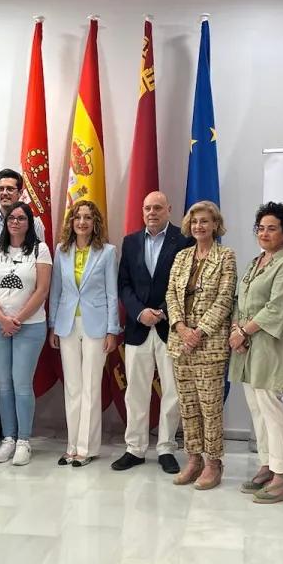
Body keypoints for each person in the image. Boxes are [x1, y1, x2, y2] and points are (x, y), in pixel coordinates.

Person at [113, 191, 192, 475]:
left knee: (172, 391)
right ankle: (134, 448)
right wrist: (139, 312)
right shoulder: (131, 242)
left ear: (169, 209)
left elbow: (186, 285)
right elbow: (123, 284)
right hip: (138, 328)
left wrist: (162, 312)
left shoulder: (184, 241)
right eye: (147, 208)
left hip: (170, 327)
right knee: (135, 390)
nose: (152, 213)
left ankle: (166, 448)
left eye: (158, 208)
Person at [231, 202, 283, 504]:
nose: (264, 233)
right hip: (246, 345)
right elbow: (240, 300)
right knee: (256, 409)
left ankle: (282, 475)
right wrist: (236, 329)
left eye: (272, 228)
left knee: (271, 408)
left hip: (270, 344)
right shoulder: (256, 261)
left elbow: (277, 308)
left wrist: (244, 331)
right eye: (261, 228)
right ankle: (267, 464)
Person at [166, 201, 236, 489]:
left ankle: (213, 463)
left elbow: (225, 299)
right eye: (194, 222)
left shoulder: (226, 256)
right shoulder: (182, 256)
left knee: (210, 407)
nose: (199, 226)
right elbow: (171, 294)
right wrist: (181, 328)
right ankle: (193, 459)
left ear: (215, 224)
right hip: (180, 343)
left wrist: (199, 332)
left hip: (210, 345)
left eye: (205, 221)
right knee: (188, 406)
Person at [48, 200, 119, 467]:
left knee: (90, 386)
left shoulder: (107, 252)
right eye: (78, 217)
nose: (82, 222)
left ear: (95, 222)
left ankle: (86, 448)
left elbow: (112, 294)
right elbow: (56, 291)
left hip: (96, 325)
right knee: (73, 387)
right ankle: (71, 446)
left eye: (88, 217)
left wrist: (112, 330)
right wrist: (53, 325)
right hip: (67, 324)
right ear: (71, 222)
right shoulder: (61, 250)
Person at [0, 202, 51, 466]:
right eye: (11, 218)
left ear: (29, 222)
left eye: (21, 218)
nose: (15, 222)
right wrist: (2, 319)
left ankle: (23, 440)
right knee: (3, 384)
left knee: (22, 384)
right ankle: (8, 438)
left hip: (29, 326)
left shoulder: (40, 249)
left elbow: (42, 290)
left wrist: (17, 319)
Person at [0, 169, 46, 248]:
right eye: (1, 189)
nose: (4, 193)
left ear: (20, 193)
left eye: (10, 189)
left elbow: (40, 253)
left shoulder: (35, 224)